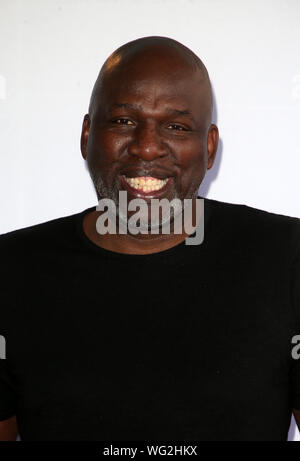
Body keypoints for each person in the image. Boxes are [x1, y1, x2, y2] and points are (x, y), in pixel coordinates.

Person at [0, 36, 299, 441]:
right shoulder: (10, 270)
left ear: (209, 148)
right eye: (124, 121)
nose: (146, 147)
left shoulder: (287, 260)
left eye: (176, 127)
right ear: (87, 135)